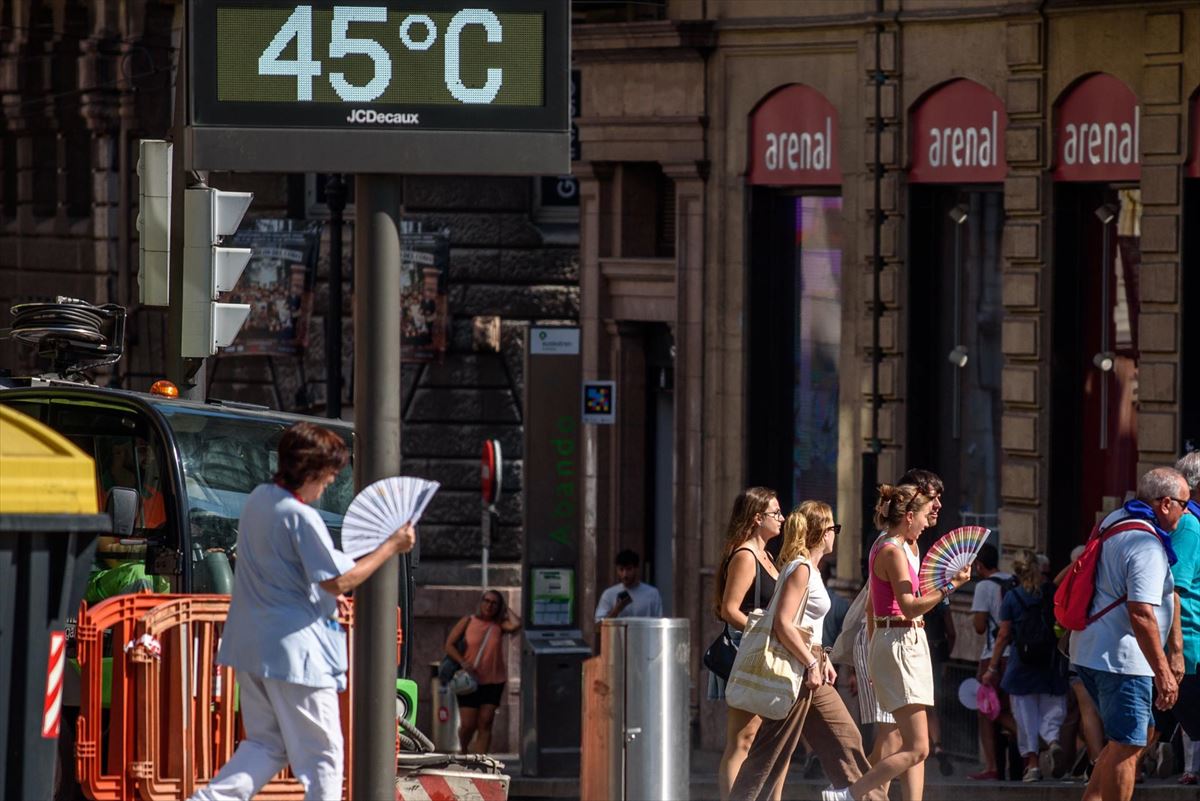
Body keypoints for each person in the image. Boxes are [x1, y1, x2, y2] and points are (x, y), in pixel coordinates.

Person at [189, 422, 416, 801]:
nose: (327, 485)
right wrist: (391, 546)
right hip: (296, 653)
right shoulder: (300, 516)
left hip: (250, 647)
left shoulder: (259, 500)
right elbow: (338, 582)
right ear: (310, 472)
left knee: (266, 745)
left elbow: (294, 572)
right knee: (324, 757)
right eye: (327, 477)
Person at [823, 484, 971, 801]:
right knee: (917, 746)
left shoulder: (892, 547)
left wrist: (877, 658)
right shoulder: (892, 550)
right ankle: (850, 794)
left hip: (899, 642)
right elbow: (908, 605)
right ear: (907, 516)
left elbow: (874, 608)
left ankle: (853, 794)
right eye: (921, 514)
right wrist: (950, 587)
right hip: (902, 640)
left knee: (908, 741)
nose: (925, 521)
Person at [729, 501, 883, 801]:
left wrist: (821, 658)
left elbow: (805, 625)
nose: (835, 535)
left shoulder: (809, 569)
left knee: (846, 739)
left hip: (810, 670)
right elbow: (782, 624)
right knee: (767, 757)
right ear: (822, 532)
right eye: (834, 529)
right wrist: (812, 662)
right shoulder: (800, 569)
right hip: (797, 670)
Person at [1069, 467, 1189, 801]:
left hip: (1092, 650)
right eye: (1184, 503)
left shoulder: (1115, 520)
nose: (1187, 511)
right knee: (1128, 744)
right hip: (1123, 659)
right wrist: (1164, 671)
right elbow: (1141, 613)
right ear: (1165, 503)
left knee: (1138, 734)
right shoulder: (1146, 544)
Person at [709, 487, 782, 801]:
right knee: (742, 738)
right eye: (775, 513)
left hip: (762, 652)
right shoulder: (746, 555)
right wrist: (763, 632)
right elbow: (729, 609)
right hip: (746, 653)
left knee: (761, 738)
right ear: (757, 518)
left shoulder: (766, 555)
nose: (782, 518)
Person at [981, 550, 1069, 781]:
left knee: (1024, 716)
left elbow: (1003, 634)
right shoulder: (1050, 592)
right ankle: (1052, 740)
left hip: (1022, 664)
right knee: (1053, 707)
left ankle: (1032, 766)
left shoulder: (1012, 597)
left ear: (1016, 571)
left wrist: (991, 668)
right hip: (1049, 662)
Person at [444, 589, 522, 753]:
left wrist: (506, 608)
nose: (489, 605)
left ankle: (480, 759)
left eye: (494, 603)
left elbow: (516, 624)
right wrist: (463, 662)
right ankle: (464, 751)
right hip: (470, 680)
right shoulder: (468, 621)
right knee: (468, 725)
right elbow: (449, 645)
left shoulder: (499, 625)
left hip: (494, 680)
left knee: (486, 721)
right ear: (481, 602)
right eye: (486, 601)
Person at [968, 543, 1015, 780]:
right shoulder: (1013, 579)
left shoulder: (984, 586)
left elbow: (978, 627)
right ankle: (1029, 756)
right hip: (1016, 654)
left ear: (978, 565)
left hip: (992, 656)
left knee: (986, 710)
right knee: (1009, 707)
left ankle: (992, 766)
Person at [594, 549, 663, 620]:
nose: (625, 575)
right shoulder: (609, 594)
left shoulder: (652, 593)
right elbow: (599, 626)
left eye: (629, 569)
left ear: (636, 569)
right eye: (621, 569)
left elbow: (658, 623)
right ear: (617, 570)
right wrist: (617, 610)